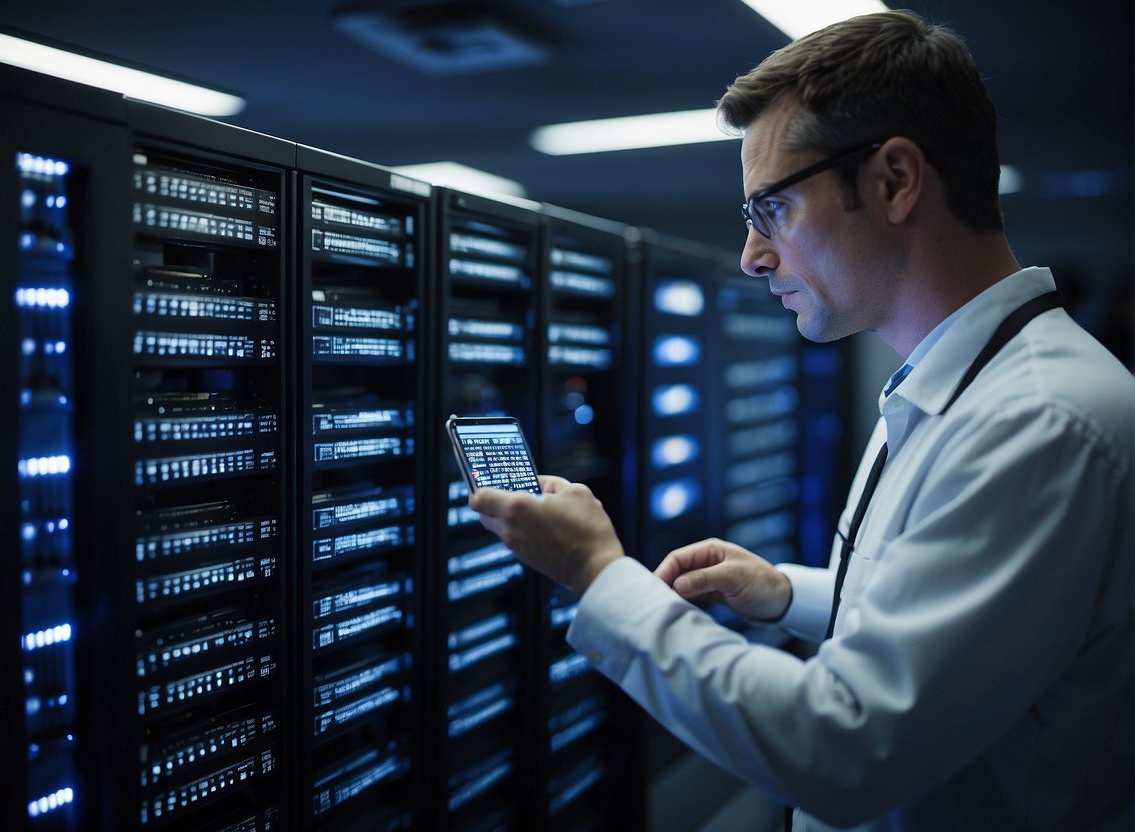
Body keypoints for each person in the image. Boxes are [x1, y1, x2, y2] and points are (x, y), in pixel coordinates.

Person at [469, 9, 1134, 831]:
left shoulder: (1036, 422)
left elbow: (845, 745)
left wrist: (597, 575)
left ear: (893, 179)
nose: (753, 255)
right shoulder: (960, 386)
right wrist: (790, 595)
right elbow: (968, 635)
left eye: (769, 211)